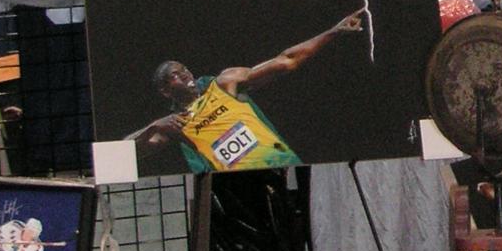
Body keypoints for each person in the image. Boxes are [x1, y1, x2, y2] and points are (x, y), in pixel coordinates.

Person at [131, 10, 365, 172]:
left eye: (184, 69)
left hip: (283, 166)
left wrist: (334, 31)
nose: (184, 74)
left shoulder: (223, 84)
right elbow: (123, 155)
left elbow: (286, 60)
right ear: (165, 91)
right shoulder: (175, 125)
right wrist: (153, 127)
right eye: (175, 75)